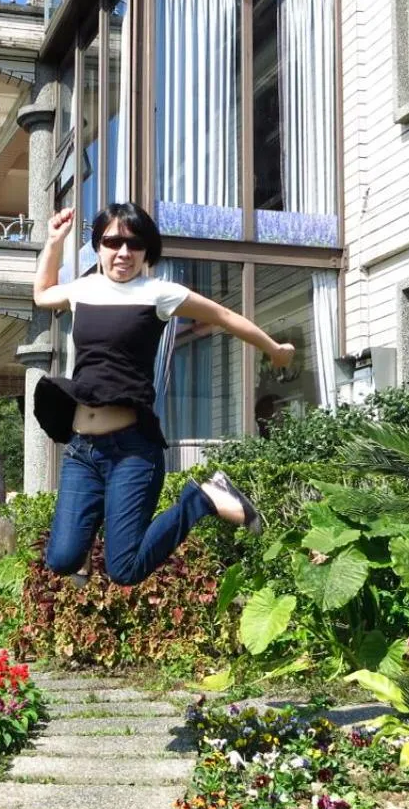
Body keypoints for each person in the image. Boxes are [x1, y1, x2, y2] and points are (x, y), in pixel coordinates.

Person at [32, 202, 295, 586]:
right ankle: (90, 535)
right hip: (81, 451)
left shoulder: (158, 293)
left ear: (147, 251)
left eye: (135, 244)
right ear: (99, 246)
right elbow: (42, 294)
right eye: (113, 242)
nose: (124, 252)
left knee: (124, 570)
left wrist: (274, 349)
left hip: (131, 450)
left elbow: (223, 316)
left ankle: (202, 498)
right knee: (61, 560)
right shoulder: (83, 289)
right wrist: (55, 241)